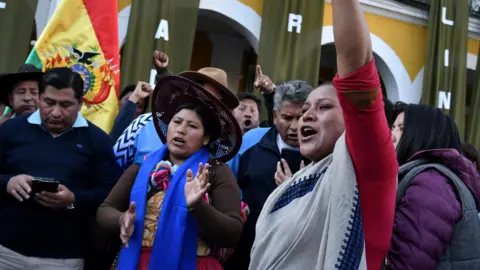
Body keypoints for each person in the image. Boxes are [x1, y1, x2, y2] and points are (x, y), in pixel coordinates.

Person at [246, 0, 398, 269]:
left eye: (324, 107)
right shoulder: (300, 185)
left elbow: (357, 67)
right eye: (305, 110)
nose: (307, 116)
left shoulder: (371, 168)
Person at [97, 75, 243, 269]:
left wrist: (198, 206)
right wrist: (122, 219)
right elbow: (104, 210)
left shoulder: (215, 171)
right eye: (176, 122)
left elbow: (232, 233)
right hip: (137, 262)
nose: (180, 130)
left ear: (206, 138)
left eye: (192, 126)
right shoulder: (143, 167)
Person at [0, 67, 118, 269]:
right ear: (40, 98)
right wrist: (7, 182)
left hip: (63, 259)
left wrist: (73, 201)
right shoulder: (12, 129)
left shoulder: (97, 141)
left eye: (65, 105)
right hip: (6, 252)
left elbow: (109, 194)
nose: (55, 112)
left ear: (80, 104)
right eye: (49, 103)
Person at [224, 80, 313, 269]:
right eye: (287, 117)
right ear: (274, 115)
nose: (295, 126)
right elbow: (229, 194)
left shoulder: (323, 154)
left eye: (302, 116)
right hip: (244, 255)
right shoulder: (249, 142)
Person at [113, 50, 239, 174]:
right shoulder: (143, 123)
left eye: (213, 102)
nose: (205, 105)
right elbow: (112, 167)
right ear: (188, 93)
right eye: (202, 96)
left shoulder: (221, 151)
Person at [387, 103, 480, 269]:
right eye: (392, 127)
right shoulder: (429, 177)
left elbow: (408, 264)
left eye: (401, 128)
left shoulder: (430, 183)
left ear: (424, 134)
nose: (391, 135)